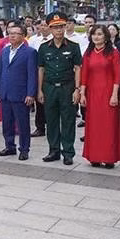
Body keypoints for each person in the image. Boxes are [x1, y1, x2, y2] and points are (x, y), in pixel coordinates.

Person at [37, 13, 82, 166]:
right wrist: (39, 90)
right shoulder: (43, 48)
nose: (59, 30)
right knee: (51, 120)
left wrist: (77, 89)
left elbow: (77, 68)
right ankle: (54, 150)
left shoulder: (73, 47)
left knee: (68, 120)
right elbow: (41, 69)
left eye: (61, 27)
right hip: (49, 88)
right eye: (55, 28)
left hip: (67, 87)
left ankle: (68, 152)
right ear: (50, 29)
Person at [80, 25, 120, 168]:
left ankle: (109, 157)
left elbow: (118, 75)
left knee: (109, 126)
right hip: (92, 94)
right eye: (94, 34)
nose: (96, 37)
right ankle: (94, 156)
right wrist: (82, 94)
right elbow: (84, 75)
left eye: (99, 34)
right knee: (93, 126)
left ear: (105, 36)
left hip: (108, 93)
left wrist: (115, 95)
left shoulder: (113, 52)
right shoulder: (88, 53)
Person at [0, 24, 37, 161]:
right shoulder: (5, 51)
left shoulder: (30, 52)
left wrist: (31, 93)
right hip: (5, 92)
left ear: (23, 35)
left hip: (21, 94)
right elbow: (1, 71)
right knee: (7, 123)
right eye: (10, 33)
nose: (12, 36)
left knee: (23, 124)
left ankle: (24, 149)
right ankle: (9, 146)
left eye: (16, 33)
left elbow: (32, 74)